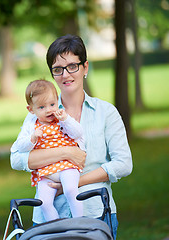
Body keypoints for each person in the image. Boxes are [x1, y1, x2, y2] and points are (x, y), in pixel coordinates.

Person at [10, 35, 132, 240]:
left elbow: (123, 164)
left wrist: (75, 183)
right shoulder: (38, 113)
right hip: (46, 221)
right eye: (57, 69)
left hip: (96, 214)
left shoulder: (105, 112)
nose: (65, 74)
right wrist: (66, 152)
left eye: (72, 66)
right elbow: (16, 159)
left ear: (85, 67)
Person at [12, 79, 85, 221]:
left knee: (71, 190)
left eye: (52, 104)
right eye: (41, 107)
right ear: (31, 110)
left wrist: (66, 120)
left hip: (66, 166)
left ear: (57, 101)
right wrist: (32, 138)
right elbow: (20, 146)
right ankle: (56, 226)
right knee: (44, 203)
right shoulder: (31, 125)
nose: (49, 110)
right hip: (45, 172)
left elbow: (78, 133)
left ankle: (79, 221)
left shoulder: (62, 118)